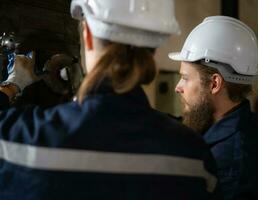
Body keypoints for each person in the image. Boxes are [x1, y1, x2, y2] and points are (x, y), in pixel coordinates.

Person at [0, 0, 220, 199]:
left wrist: (12, 85)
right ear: (154, 49)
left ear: (86, 35)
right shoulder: (194, 158)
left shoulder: (18, 141)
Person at [169, 16, 258, 199]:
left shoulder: (230, 161)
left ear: (214, 83)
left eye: (185, 78)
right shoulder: (247, 123)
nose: (178, 87)